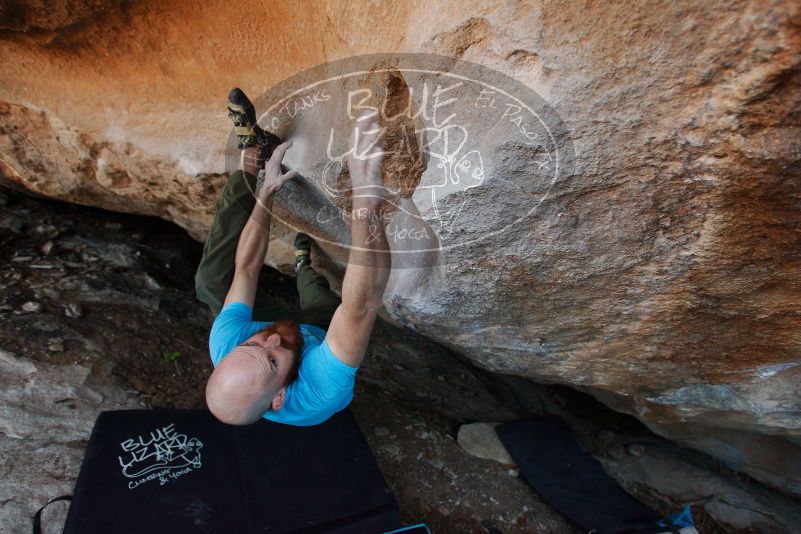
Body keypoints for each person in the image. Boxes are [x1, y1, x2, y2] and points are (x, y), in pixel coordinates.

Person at [194, 88, 390, 426]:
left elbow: (246, 269)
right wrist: (364, 202)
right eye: (272, 361)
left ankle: (250, 166)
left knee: (210, 285)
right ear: (279, 396)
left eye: (253, 345)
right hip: (319, 328)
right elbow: (361, 307)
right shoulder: (319, 390)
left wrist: (267, 191)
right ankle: (305, 265)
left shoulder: (226, 342)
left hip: (294, 337)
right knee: (318, 296)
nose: (271, 339)